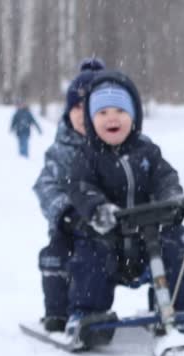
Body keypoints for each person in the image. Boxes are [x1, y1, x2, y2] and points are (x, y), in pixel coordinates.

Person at [62, 70, 184, 345]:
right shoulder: (86, 157)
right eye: (103, 113)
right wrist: (98, 209)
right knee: (90, 253)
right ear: (91, 120)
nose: (112, 118)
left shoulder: (147, 151)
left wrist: (172, 198)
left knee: (177, 240)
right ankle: (86, 313)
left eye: (121, 111)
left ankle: (174, 305)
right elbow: (80, 187)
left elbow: (165, 177)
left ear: (134, 116)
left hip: (147, 240)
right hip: (107, 239)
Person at [32, 57, 105, 333]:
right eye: (76, 107)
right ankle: (59, 311)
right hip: (72, 229)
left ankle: (169, 301)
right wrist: (66, 213)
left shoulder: (118, 146)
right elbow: (46, 186)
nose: (82, 114)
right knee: (57, 255)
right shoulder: (61, 151)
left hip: (114, 226)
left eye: (90, 107)